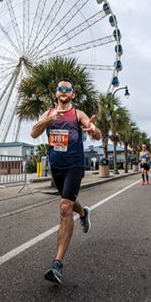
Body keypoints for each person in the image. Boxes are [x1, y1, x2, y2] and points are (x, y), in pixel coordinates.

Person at [31, 78, 101, 284]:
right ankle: (83, 212)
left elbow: (96, 132)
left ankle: (57, 265)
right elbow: (34, 133)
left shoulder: (77, 114)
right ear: (56, 94)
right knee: (67, 201)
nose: (63, 91)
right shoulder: (48, 113)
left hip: (75, 164)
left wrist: (93, 129)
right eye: (60, 89)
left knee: (64, 207)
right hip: (57, 166)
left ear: (73, 94)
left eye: (67, 89)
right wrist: (48, 120)